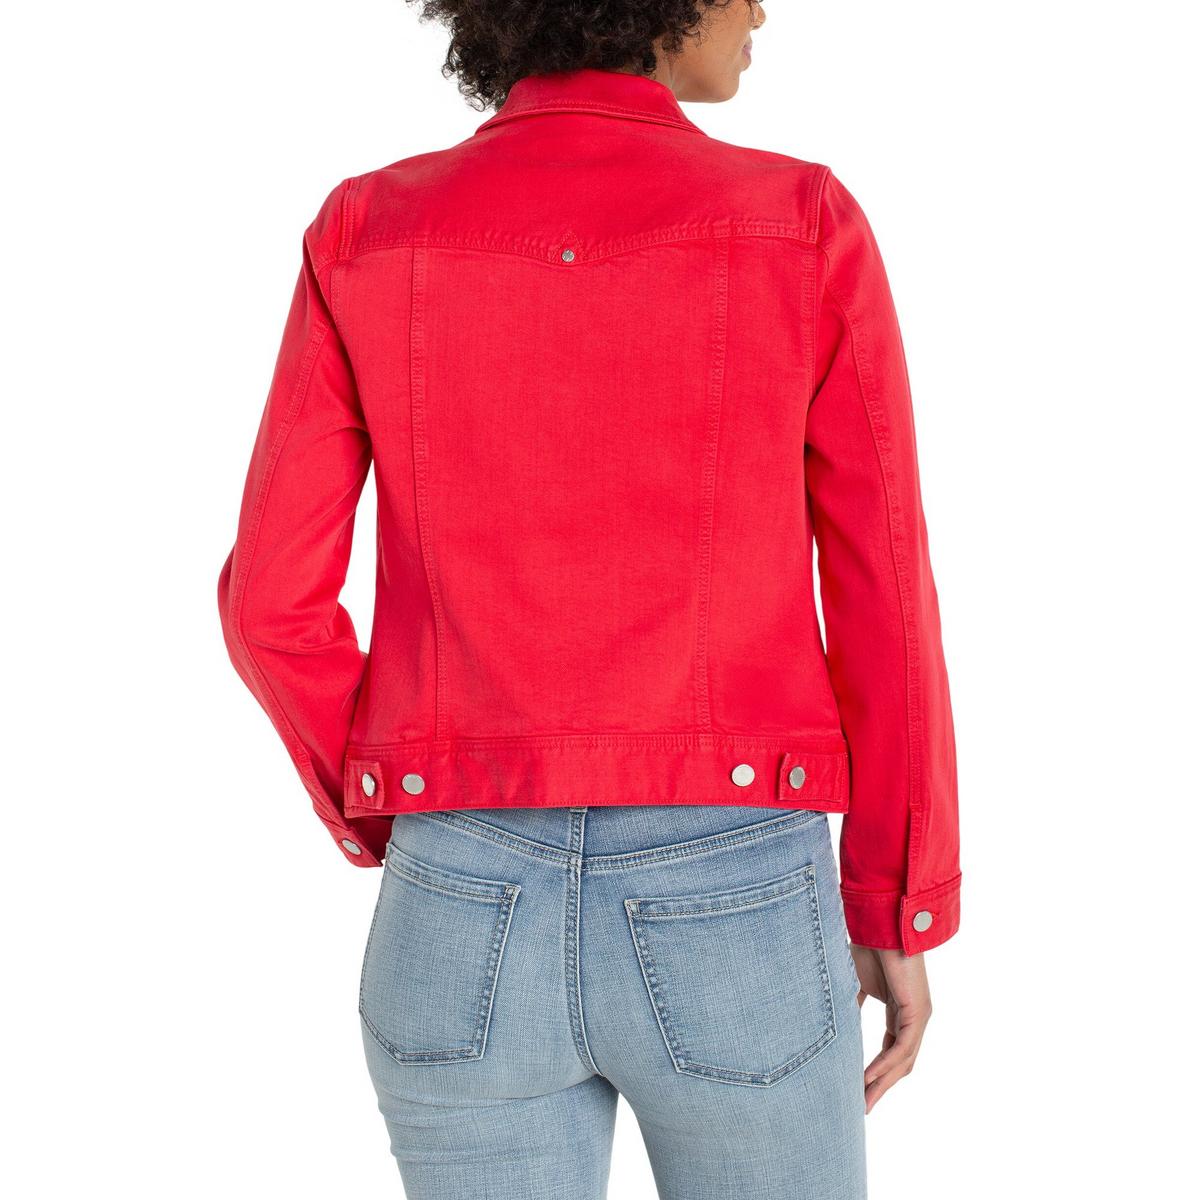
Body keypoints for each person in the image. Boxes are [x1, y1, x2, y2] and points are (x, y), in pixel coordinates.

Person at [216, 2, 961, 1195]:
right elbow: (884, 587)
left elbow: (268, 605)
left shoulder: (369, 228)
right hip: (737, 889)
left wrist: (406, 814)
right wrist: (895, 896)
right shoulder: (800, 221)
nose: (762, 8)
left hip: (455, 895)